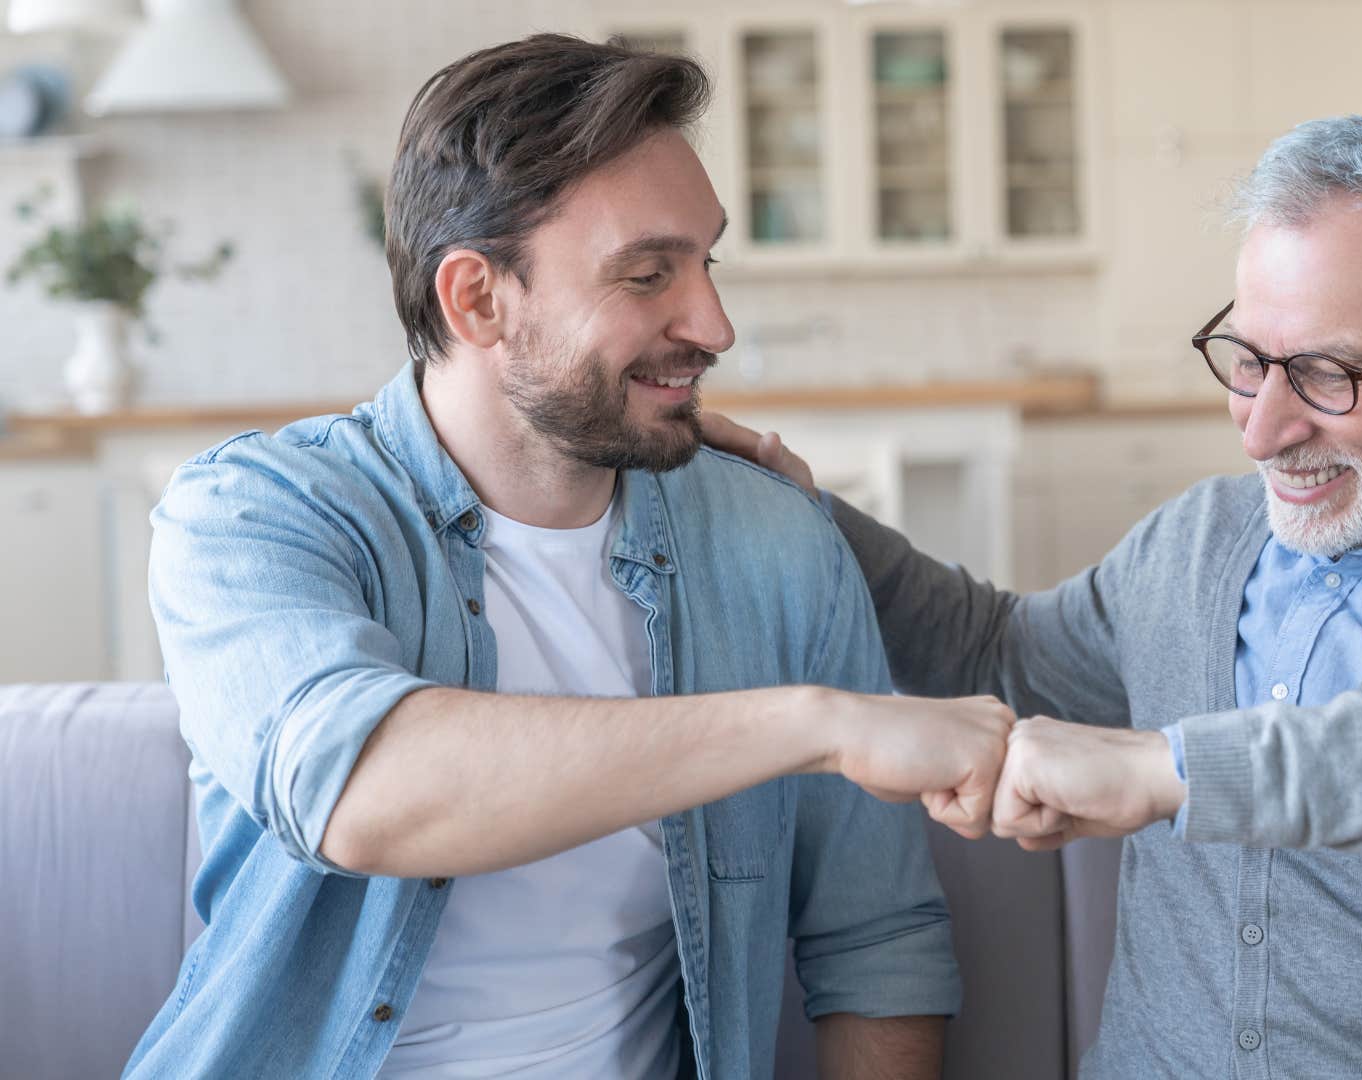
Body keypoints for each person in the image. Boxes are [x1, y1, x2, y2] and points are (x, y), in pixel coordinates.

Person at [709, 115, 1362, 1078]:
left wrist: (1175, 771)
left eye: (1328, 373)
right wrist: (808, 519)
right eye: (1247, 361)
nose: (1261, 431)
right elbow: (995, 652)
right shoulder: (1201, 540)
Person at [126, 35, 1012, 1080]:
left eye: (707, 263)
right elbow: (360, 790)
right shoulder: (255, 514)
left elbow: (878, 947)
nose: (714, 325)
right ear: (477, 300)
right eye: (646, 275)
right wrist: (818, 724)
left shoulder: (776, 545)